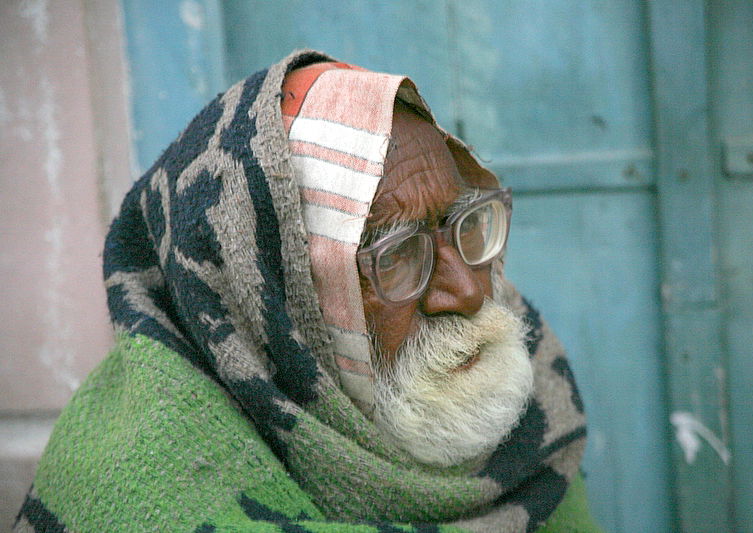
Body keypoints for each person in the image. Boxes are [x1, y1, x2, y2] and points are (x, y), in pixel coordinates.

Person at [15, 50, 600, 532]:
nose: (470, 291)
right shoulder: (138, 491)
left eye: (466, 222)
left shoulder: (528, 398)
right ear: (270, 304)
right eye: (396, 257)